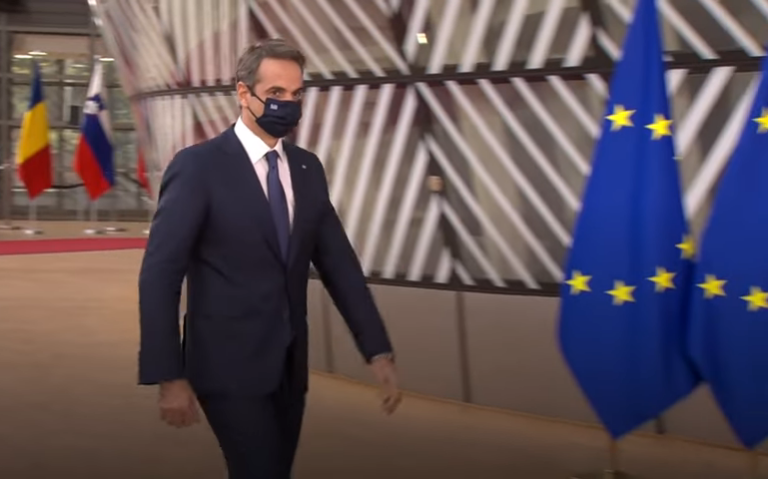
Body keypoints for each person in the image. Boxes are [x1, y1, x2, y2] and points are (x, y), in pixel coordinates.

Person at [137, 38, 401, 479]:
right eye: (276, 93)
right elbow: (160, 276)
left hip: (288, 367)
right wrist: (168, 375)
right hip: (225, 366)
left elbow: (340, 266)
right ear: (243, 93)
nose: (288, 104)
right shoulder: (199, 167)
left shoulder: (308, 169)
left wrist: (377, 349)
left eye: (296, 94)